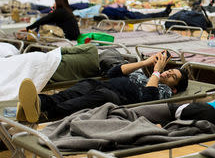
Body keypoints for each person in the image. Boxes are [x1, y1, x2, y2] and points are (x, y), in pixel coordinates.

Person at [17, 51, 189, 122]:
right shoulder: (144, 75)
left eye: (172, 76)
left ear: (174, 87)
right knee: (78, 89)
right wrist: (145, 62)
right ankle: (39, 102)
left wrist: (157, 72)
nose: (167, 73)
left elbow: (147, 100)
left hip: (113, 99)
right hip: (101, 85)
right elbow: (114, 72)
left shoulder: (164, 90)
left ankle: (45, 115)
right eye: (170, 70)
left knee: (89, 99)